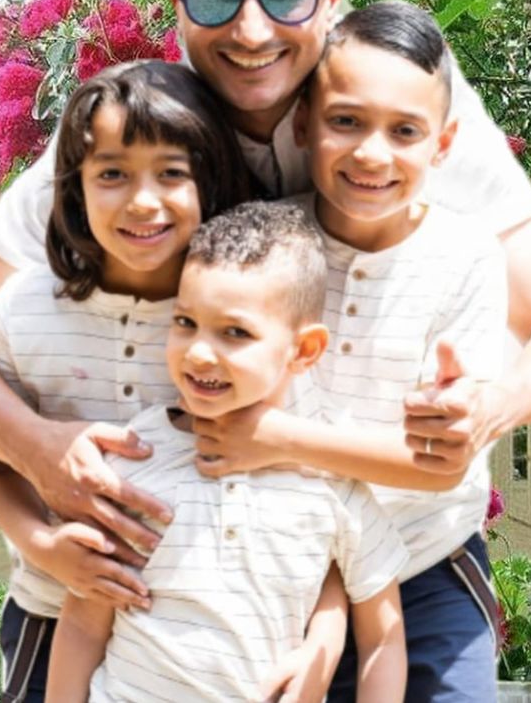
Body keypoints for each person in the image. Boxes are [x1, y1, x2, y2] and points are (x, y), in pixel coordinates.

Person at [0, 0, 531, 622]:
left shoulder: (404, 105)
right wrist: (31, 443)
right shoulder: (140, 130)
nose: (253, 29)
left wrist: (492, 407)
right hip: (210, 575)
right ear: (178, 6)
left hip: (411, 556)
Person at [196, 0, 508, 702]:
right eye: (346, 121)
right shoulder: (261, 248)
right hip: (288, 567)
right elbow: (223, 426)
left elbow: (436, 469)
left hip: (427, 564)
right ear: (302, 124)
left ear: (442, 143)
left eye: (405, 131)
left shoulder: (467, 256)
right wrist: (327, 616)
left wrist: (273, 436)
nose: (372, 153)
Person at [44, 200, 407, 703]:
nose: (197, 352)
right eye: (185, 322)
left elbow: (383, 637)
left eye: (235, 332)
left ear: (303, 350)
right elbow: (85, 623)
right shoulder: (133, 457)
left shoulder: (330, 482)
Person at [0, 59, 259, 700]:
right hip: (52, 614)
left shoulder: (230, 316)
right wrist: (44, 544)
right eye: (112, 173)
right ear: (75, 187)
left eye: (172, 172)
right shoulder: (23, 308)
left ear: (210, 179)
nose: (143, 200)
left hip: (199, 635)